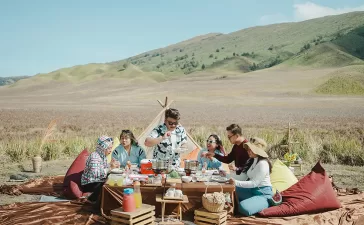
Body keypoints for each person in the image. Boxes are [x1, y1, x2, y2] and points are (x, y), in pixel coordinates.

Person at [229, 137, 273, 216]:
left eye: (250, 149)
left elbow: (254, 183)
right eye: (248, 149)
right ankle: (251, 202)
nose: (248, 151)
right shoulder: (251, 160)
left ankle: (265, 203)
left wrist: (235, 182)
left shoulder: (263, 164)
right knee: (231, 191)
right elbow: (243, 177)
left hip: (263, 194)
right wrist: (227, 175)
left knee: (243, 207)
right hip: (252, 191)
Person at [81, 136, 120, 205]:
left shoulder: (102, 156)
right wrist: (110, 168)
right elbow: (95, 174)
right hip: (90, 183)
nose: (110, 150)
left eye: (111, 148)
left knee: (114, 179)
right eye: (109, 148)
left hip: (98, 180)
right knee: (106, 185)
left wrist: (111, 164)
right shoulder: (94, 156)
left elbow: (102, 168)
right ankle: (91, 199)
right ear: (102, 148)